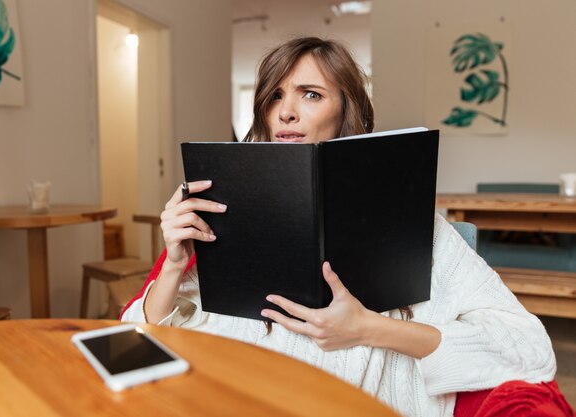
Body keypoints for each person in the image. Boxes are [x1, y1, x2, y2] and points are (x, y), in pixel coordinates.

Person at [121, 37, 557, 417]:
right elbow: (138, 346)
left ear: (346, 108)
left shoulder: (421, 229)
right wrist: (174, 265)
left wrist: (369, 328)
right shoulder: (225, 211)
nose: (286, 112)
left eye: (310, 94)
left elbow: (529, 349)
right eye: (274, 96)